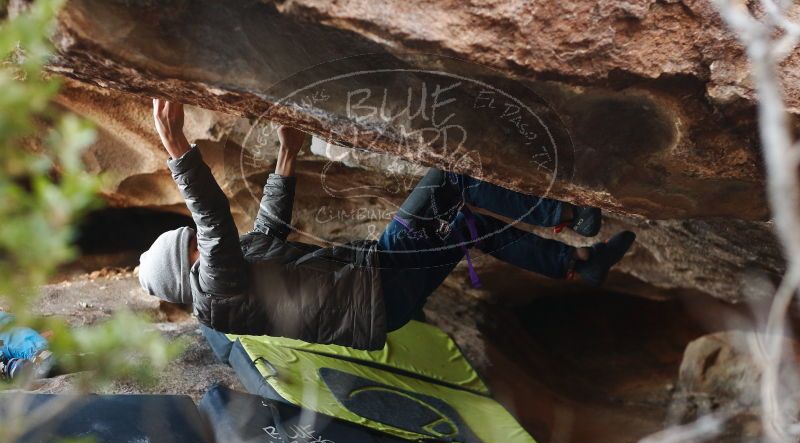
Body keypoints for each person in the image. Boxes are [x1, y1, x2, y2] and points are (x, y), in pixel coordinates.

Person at [138, 100, 635, 350]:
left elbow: (268, 229)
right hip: (377, 285)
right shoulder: (214, 291)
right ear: (187, 268)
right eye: (192, 248)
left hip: (380, 301)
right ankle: (569, 216)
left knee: (463, 224)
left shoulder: (231, 281)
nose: (200, 247)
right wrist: (178, 148)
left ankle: (576, 264)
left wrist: (288, 152)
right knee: (450, 179)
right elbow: (215, 222)